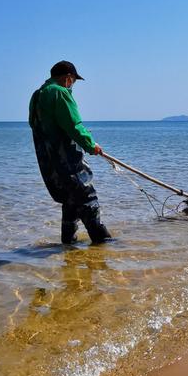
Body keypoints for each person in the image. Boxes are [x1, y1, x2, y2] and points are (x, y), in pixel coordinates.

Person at [29, 60, 112, 244]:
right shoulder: (60, 93)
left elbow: (36, 126)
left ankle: (69, 246)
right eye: (73, 81)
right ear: (68, 78)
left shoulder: (37, 96)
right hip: (67, 159)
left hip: (48, 162)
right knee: (86, 196)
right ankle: (103, 243)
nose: (72, 85)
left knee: (70, 200)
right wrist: (91, 145)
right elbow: (74, 125)